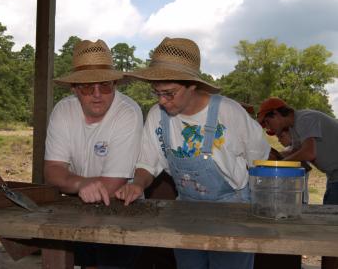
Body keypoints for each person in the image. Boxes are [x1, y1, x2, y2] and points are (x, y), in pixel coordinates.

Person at [115, 37, 271, 269]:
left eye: (169, 93)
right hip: (186, 210)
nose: (162, 101)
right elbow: (148, 162)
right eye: (157, 93)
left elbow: (260, 161)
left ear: (192, 85)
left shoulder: (228, 113)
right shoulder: (157, 116)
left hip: (233, 212)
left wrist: (261, 213)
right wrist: (137, 184)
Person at [44, 39, 143, 268]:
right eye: (88, 87)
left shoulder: (128, 113)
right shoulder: (63, 110)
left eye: (105, 86)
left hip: (122, 211)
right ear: (75, 89)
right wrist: (81, 185)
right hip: (78, 205)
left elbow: (113, 184)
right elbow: (51, 172)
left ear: (115, 85)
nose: (97, 94)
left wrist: (71, 183)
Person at [257, 97, 338, 269]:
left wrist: (278, 165)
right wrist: (272, 157)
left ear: (277, 113)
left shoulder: (305, 118)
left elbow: (309, 153)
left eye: (267, 121)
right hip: (334, 178)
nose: (268, 128)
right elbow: (298, 159)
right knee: (331, 234)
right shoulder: (295, 130)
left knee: (330, 235)